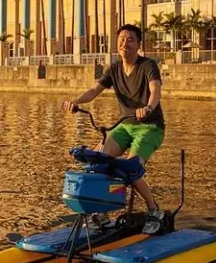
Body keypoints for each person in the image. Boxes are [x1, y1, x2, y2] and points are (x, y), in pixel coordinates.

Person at [62, 24, 166, 234]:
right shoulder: (114, 69)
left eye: (130, 39)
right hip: (124, 126)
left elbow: (155, 90)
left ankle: (154, 211)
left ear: (138, 44)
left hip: (149, 126)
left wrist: (148, 107)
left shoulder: (148, 66)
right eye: (121, 39)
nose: (124, 43)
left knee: (131, 167)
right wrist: (75, 102)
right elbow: (94, 90)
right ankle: (101, 212)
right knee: (99, 160)